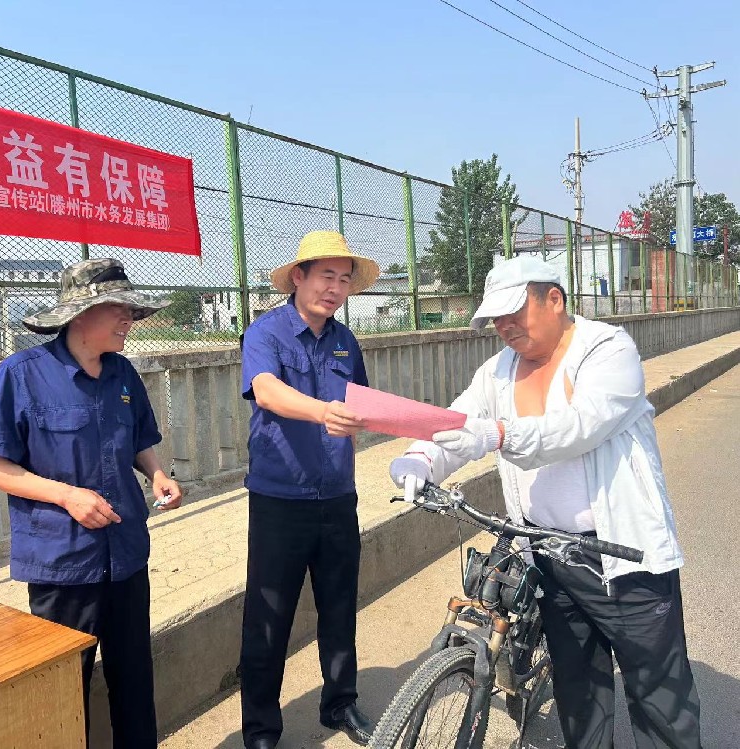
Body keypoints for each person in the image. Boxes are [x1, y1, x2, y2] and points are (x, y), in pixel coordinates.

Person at [389, 255, 701, 749]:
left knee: (659, 694)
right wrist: (420, 458)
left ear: (554, 299)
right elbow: (457, 422)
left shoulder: (607, 350)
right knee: (579, 693)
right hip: (549, 555)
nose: (504, 327)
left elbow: (578, 427)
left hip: (620, 557)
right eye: (496, 318)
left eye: (515, 312)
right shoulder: (497, 371)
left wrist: (495, 434)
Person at [0, 258, 183, 749]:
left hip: (125, 554)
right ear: (81, 315)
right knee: (64, 691)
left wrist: (157, 474)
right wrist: (66, 496)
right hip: (62, 564)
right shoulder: (22, 374)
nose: (128, 319)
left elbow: (138, 441)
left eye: (131, 309)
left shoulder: (123, 374)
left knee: (134, 680)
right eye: (118, 309)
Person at [239, 230, 381, 749]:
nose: (335, 288)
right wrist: (323, 412)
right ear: (298, 277)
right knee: (269, 617)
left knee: (340, 606)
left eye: (343, 280)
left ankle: (340, 703)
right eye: (326, 276)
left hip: (338, 496)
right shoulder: (265, 333)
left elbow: (359, 404)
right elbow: (266, 391)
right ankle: (260, 729)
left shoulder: (346, 341)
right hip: (280, 499)